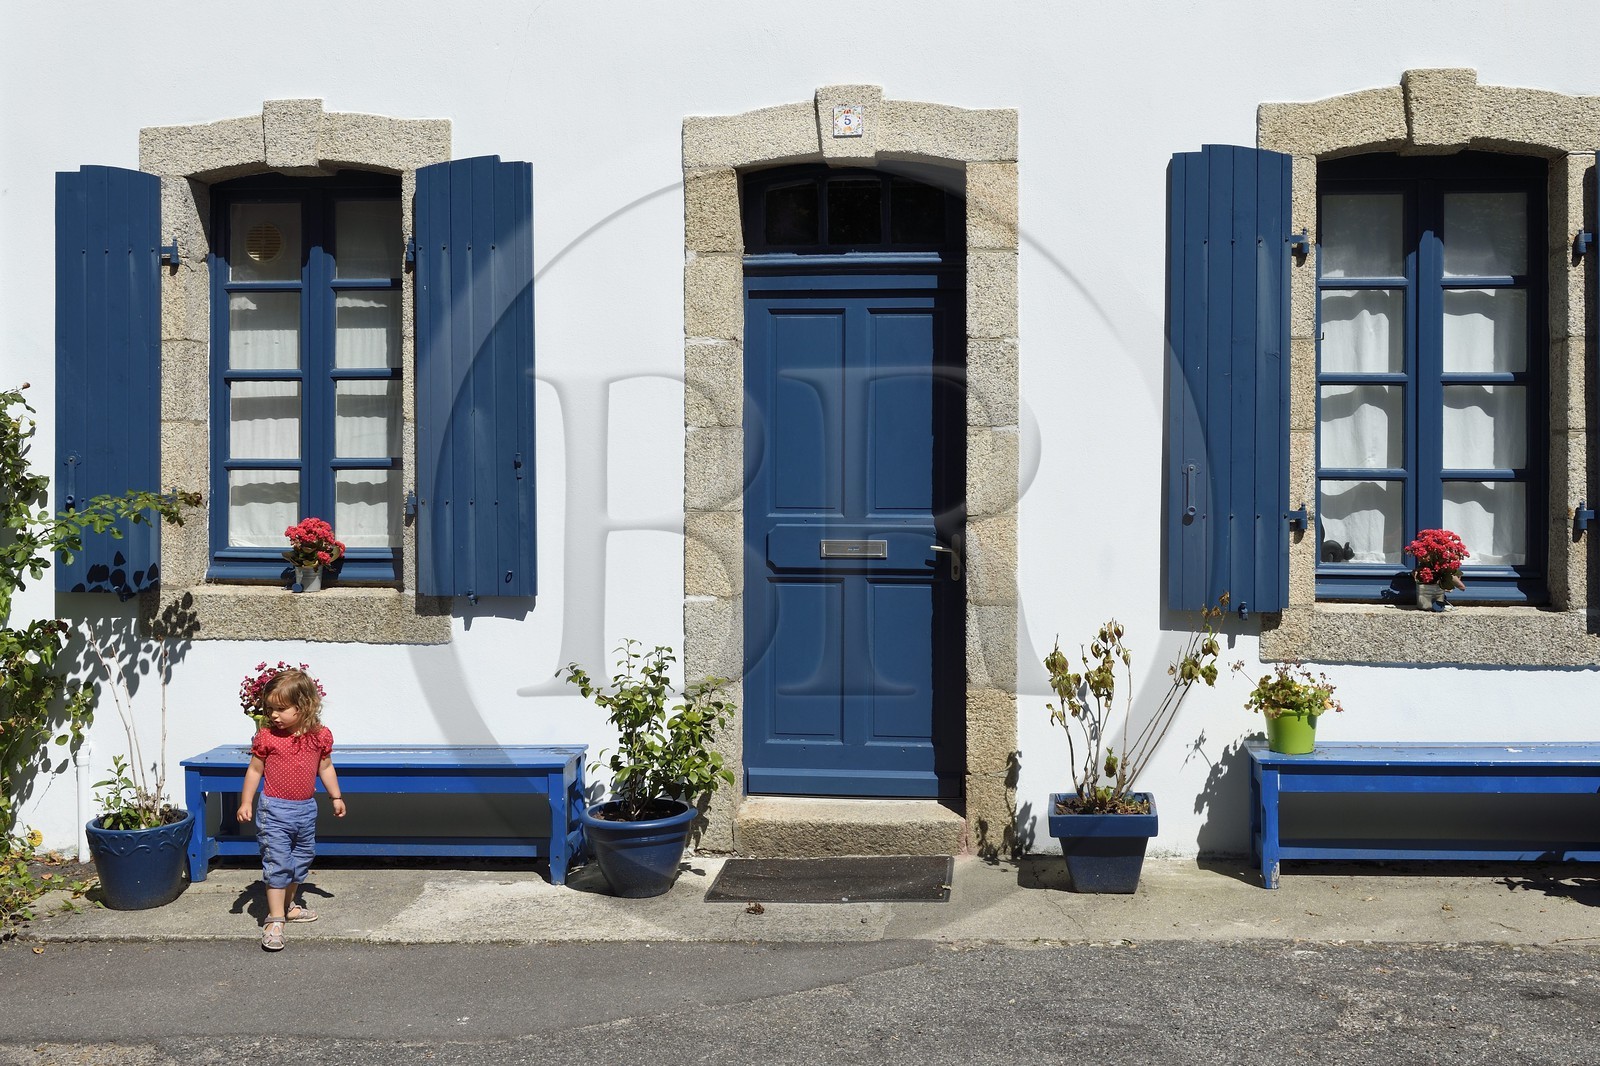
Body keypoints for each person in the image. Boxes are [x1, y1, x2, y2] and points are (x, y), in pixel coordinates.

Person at [236, 668, 345, 951]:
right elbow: (254, 770)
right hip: (274, 811)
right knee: (278, 863)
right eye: (270, 708)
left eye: (281, 709)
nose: (273, 715)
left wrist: (336, 796)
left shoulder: (319, 737)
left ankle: (289, 907)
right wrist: (246, 802)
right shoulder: (268, 738)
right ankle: (274, 920)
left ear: (305, 706)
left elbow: (326, 767)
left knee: (301, 860)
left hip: (306, 810)